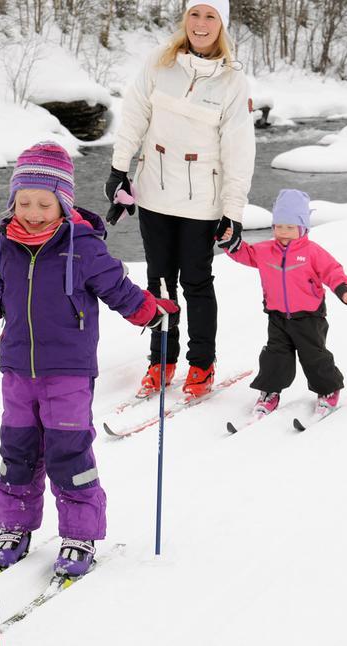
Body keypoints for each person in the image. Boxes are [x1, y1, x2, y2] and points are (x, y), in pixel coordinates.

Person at [0, 141, 178, 577]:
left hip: (68, 371)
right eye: (24, 202)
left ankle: (79, 533)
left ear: (63, 202)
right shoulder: (3, 246)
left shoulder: (82, 245)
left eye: (44, 203)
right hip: (17, 370)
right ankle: (15, 526)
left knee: (69, 451)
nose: (32, 211)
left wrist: (148, 311)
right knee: (18, 449)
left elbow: (117, 288)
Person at [104, 0, 256, 400]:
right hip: (154, 192)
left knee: (195, 282)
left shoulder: (233, 81)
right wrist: (119, 169)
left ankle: (202, 365)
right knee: (159, 280)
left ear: (221, 24)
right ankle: (161, 361)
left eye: (210, 16)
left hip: (200, 201)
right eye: (194, 14)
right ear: (184, 18)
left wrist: (233, 212)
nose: (201, 24)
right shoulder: (160, 61)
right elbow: (135, 114)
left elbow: (239, 150)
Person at [221, 188, 347, 415]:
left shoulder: (312, 252)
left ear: (302, 228)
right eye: (278, 226)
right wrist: (231, 244)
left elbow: (332, 270)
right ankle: (269, 392)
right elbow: (247, 255)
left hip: (309, 316)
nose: (283, 232)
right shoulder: (265, 250)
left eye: (290, 227)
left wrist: (343, 289)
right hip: (277, 315)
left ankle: (329, 390)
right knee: (275, 356)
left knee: (314, 355)